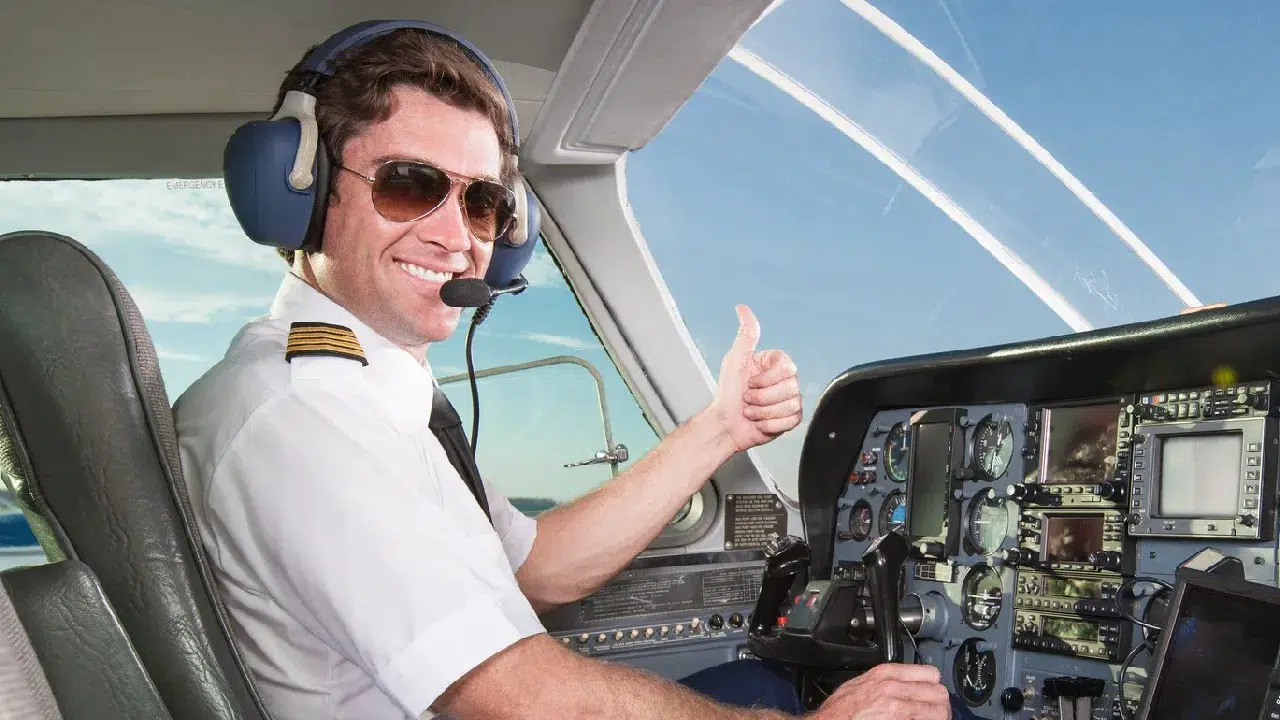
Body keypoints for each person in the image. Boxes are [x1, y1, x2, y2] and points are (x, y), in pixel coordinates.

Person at [174, 21, 959, 720]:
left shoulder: (362, 393)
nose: (457, 239)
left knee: (766, 684)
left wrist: (724, 427)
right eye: (408, 185)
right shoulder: (306, 416)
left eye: (481, 202)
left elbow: (538, 568)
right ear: (301, 189)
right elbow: (522, 698)